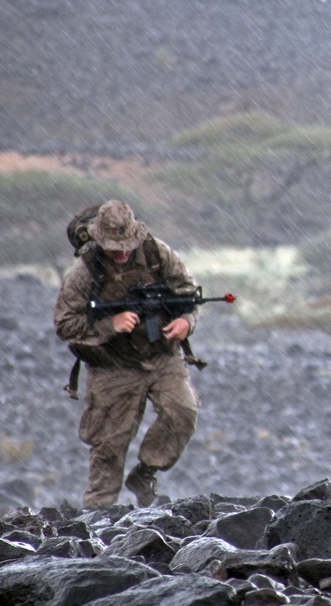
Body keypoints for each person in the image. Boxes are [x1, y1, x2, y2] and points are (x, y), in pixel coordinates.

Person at [54, 200, 202, 509]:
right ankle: (97, 515)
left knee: (183, 412)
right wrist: (111, 324)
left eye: (127, 246)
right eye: (113, 248)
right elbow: (65, 324)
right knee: (110, 443)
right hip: (113, 364)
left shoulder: (157, 254)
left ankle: (145, 472)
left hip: (162, 355)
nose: (122, 253)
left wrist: (186, 321)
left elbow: (188, 293)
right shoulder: (84, 272)